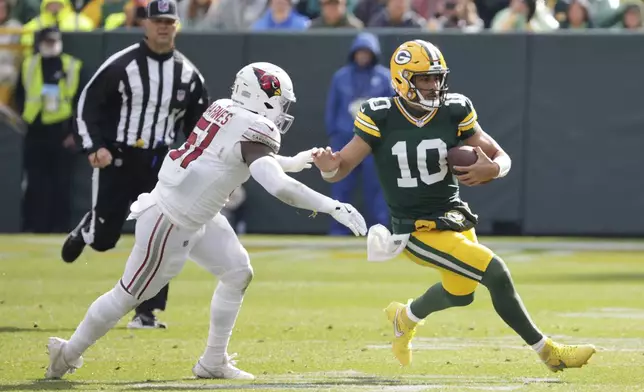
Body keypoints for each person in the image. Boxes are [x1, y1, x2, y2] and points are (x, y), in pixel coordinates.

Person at [45, 61, 367, 381]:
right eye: (280, 101)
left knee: (238, 272)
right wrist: (332, 206)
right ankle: (67, 354)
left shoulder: (224, 108)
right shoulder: (255, 128)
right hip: (171, 221)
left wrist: (294, 162)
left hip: (197, 213)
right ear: (262, 96)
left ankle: (213, 362)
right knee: (126, 296)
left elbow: (243, 155)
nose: (281, 110)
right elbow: (279, 186)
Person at [312, 39, 597, 372]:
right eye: (425, 79)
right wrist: (327, 165)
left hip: (454, 217)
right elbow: (340, 169)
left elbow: (499, 155)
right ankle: (548, 351)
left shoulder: (455, 108)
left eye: (437, 78)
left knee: (461, 293)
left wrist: (495, 168)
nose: (434, 86)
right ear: (403, 79)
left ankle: (404, 318)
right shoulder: (380, 114)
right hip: (415, 228)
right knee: (496, 272)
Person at [62, 0, 209, 329]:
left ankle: (147, 312)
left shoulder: (188, 74)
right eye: (157, 20)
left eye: (169, 22)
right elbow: (87, 105)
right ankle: (89, 228)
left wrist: (198, 164)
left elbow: (201, 126)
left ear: (177, 26)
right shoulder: (121, 65)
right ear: (144, 24)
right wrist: (94, 146)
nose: (163, 27)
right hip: (118, 157)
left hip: (161, 164)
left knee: (162, 237)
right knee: (104, 240)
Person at [16, 27, 87, 233]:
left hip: (61, 131)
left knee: (61, 182)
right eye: (47, 41)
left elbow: (81, 103)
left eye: (54, 41)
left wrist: (74, 133)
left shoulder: (72, 66)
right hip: (35, 130)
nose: (51, 45)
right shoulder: (28, 64)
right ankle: (35, 225)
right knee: (36, 182)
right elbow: (20, 94)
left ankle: (59, 226)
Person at [324, 32, 391, 235]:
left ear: (374, 54)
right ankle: (338, 230)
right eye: (359, 52)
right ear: (353, 53)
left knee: (378, 188)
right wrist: (334, 132)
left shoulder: (385, 77)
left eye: (367, 52)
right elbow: (332, 107)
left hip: (375, 142)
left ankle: (380, 231)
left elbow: (393, 108)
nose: (363, 56)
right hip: (345, 138)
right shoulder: (341, 76)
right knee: (340, 186)